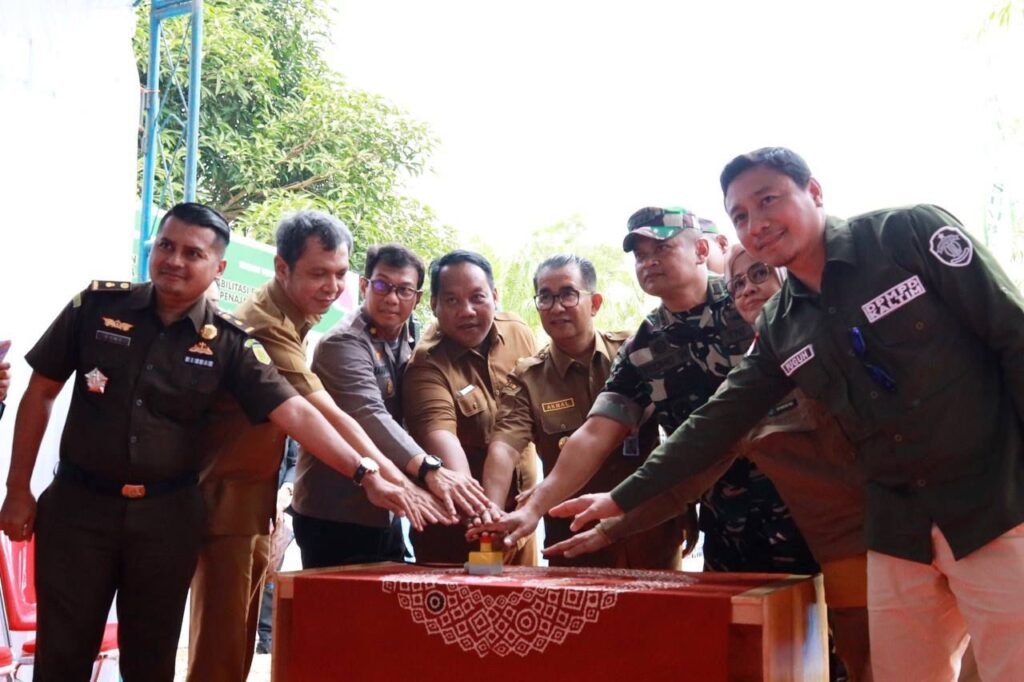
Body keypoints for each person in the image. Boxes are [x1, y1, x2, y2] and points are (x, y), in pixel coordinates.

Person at [555, 147, 1024, 681]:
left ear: (815, 192)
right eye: (740, 215)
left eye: (768, 199)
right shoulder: (781, 323)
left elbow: (1013, 336)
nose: (756, 224)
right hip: (900, 530)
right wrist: (621, 497)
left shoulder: (907, 237)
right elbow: (719, 419)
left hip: (994, 507)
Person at [0, 202, 432, 682]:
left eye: (193, 253)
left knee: (151, 661)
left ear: (218, 268)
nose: (175, 261)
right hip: (80, 510)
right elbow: (40, 392)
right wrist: (18, 490)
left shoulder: (229, 343)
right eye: (166, 246)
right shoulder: (97, 309)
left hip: (164, 523)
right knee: (62, 658)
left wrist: (365, 472)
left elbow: (298, 412)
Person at [547, 243, 871, 680]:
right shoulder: (752, 369)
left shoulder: (828, 334)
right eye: (739, 283)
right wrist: (612, 521)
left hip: (859, 532)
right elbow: (701, 457)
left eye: (760, 275)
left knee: (867, 655)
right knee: (763, 655)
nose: (748, 290)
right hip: (740, 531)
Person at [482, 207, 816, 577]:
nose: (648, 262)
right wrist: (532, 509)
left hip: (811, 507)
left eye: (661, 249)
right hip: (727, 524)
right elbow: (595, 434)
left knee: (839, 623)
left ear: (701, 251)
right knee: (737, 628)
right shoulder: (644, 347)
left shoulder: (751, 298)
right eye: (640, 255)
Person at [188, 211, 450, 681]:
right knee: (220, 649)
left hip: (252, 500)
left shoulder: (298, 319)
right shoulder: (266, 325)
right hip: (224, 502)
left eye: (338, 274)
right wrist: (385, 478)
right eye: (317, 273)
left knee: (240, 644)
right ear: (282, 268)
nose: (331, 287)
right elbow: (323, 413)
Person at [480, 254, 694, 568]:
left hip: (650, 532)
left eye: (568, 294)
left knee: (664, 616)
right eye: (545, 297)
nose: (556, 307)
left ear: (594, 303)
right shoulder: (528, 379)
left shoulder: (635, 354)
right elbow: (503, 450)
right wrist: (491, 521)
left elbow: (683, 431)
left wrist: (687, 504)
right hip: (574, 543)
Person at [291, 243, 490, 569]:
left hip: (391, 507)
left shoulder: (411, 337)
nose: (392, 299)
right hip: (335, 511)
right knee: (336, 614)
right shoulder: (343, 343)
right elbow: (370, 414)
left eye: (404, 290)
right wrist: (430, 469)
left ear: (419, 298)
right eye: (382, 286)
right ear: (365, 285)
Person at [403, 250, 540, 564]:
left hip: (521, 525)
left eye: (477, 297)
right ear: (433, 304)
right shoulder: (426, 365)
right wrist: (485, 514)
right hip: (461, 532)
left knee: (528, 610)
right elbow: (444, 443)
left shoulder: (518, 332)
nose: (466, 311)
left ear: (494, 295)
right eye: (451, 300)